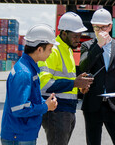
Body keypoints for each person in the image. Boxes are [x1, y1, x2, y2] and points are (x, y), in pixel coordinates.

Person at [79, 8, 115, 145]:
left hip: (114, 104)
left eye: (103, 27)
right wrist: (99, 45)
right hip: (92, 105)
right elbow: (83, 67)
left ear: (110, 26)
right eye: (96, 27)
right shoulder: (87, 46)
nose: (100, 30)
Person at [38, 12, 94, 145]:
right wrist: (73, 83)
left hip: (67, 110)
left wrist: (79, 86)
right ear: (63, 33)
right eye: (75, 36)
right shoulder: (53, 50)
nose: (78, 39)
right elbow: (43, 83)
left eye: (79, 36)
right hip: (56, 112)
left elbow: (66, 80)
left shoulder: (67, 49)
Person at [0, 24, 59, 145]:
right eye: (50, 48)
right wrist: (45, 107)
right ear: (39, 49)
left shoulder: (29, 68)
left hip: (22, 134)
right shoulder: (24, 73)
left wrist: (45, 102)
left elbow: (29, 100)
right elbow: (19, 108)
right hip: (19, 136)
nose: (51, 52)